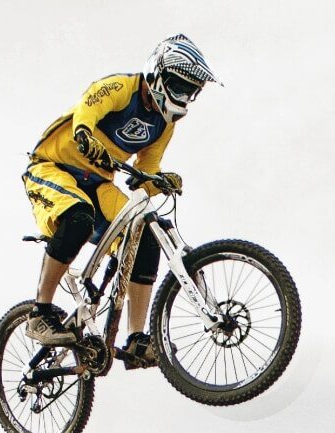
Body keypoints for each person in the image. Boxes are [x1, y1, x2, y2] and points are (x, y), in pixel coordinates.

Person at [21, 34, 218, 370]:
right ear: (157, 75)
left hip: (98, 183)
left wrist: (161, 181)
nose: (183, 96)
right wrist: (83, 134)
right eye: (178, 86)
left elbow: (144, 172)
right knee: (78, 217)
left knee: (146, 233)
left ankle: (138, 339)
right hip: (53, 167)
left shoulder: (163, 125)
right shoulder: (121, 88)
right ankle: (40, 312)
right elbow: (88, 107)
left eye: (189, 91)